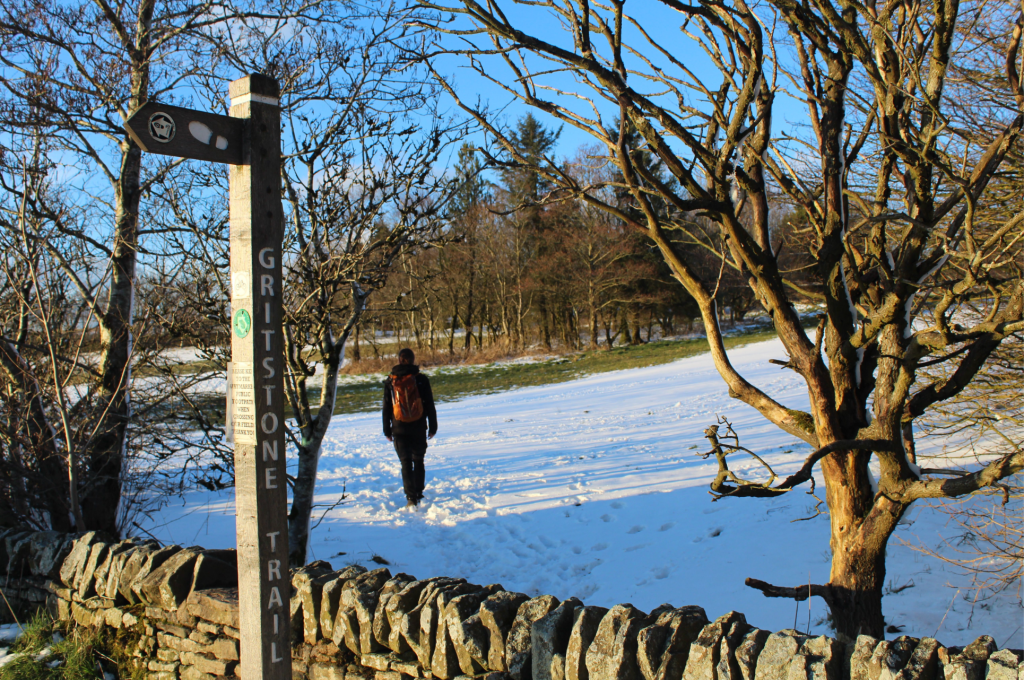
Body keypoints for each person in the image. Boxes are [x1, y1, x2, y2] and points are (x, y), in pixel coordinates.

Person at [383, 348, 437, 507]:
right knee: (418, 460)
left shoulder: (390, 381)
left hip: (399, 427)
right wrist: (433, 426)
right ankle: (419, 492)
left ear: (399, 360)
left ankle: (411, 498)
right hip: (419, 426)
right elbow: (429, 404)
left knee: (405, 462)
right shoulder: (421, 379)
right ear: (413, 360)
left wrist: (387, 429)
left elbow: (386, 407)